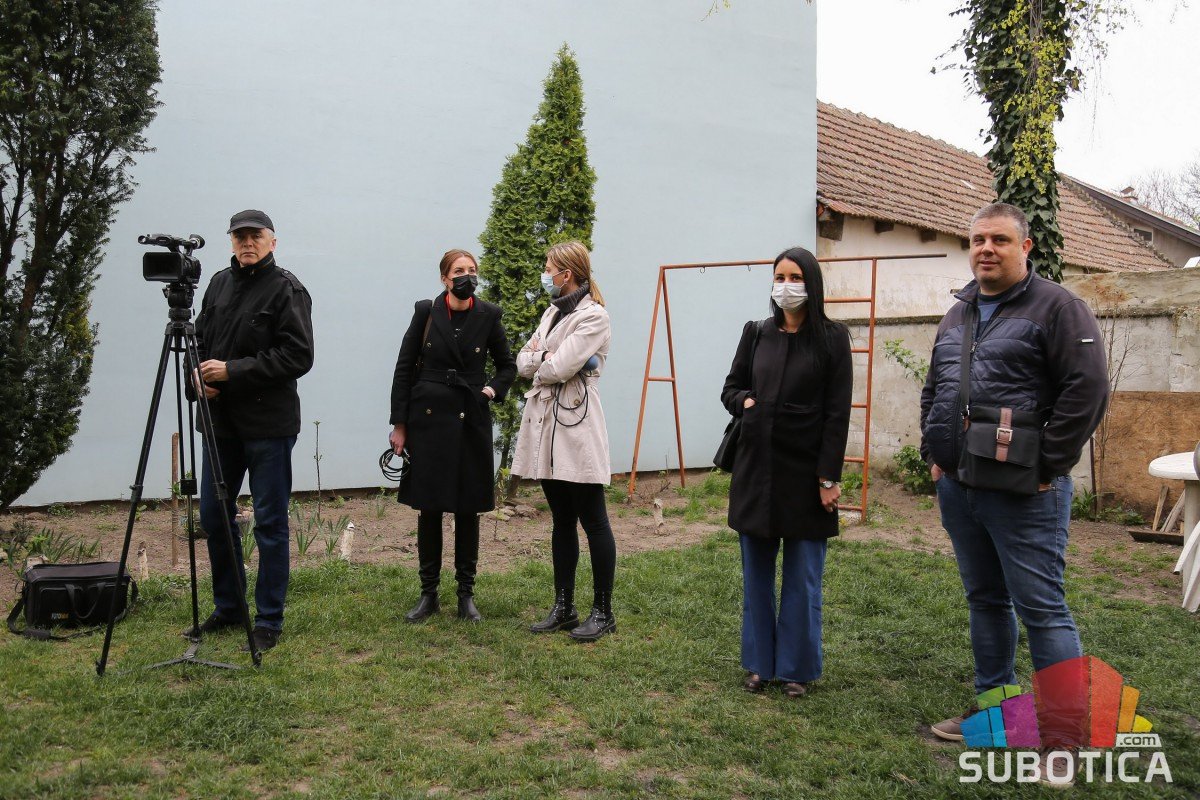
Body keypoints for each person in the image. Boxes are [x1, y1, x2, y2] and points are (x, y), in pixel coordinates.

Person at [921, 203, 1108, 778]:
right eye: (978, 239)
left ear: (1025, 247)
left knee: (1043, 610)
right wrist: (934, 454)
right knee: (985, 600)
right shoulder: (958, 313)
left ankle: (1063, 738)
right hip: (960, 487)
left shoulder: (1058, 307)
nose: (986, 249)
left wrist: (1048, 464)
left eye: (999, 240)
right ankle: (997, 709)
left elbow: (1088, 389)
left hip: (1026, 493)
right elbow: (936, 387)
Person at [720, 246, 852, 697]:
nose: (786, 286)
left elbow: (837, 413)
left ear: (811, 284)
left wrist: (828, 478)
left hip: (806, 474)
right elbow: (731, 387)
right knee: (756, 577)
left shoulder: (833, 338)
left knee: (802, 578)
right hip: (756, 471)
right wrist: (745, 402)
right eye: (780, 277)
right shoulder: (756, 333)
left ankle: (796, 668)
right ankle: (760, 664)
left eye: (795, 277)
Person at [191, 209, 315, 653]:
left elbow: (298, 356)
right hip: (220, 425)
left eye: (255, 236)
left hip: (268, 427)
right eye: (239, 236)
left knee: (269, 523)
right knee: (213, 518)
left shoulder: (288, 290)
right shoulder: (218, 284)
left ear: (272, 242)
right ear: (231, 242)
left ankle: (268, 620)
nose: (247, 242)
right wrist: (196, 378)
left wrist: (232, 371)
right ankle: (229, 608)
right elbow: (197, 341)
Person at [389, 249, 516, 623]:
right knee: (429, 508)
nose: (467, 276)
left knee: (467, 509)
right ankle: (428, 594)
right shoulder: (426, 312)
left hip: (470, 418)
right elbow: (403, 369)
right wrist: (400, 424)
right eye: (459, 270)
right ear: (444, 278)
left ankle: (466, 595)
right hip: (427, 420)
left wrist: (490, 391)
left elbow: (507, 366)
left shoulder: (489, 314)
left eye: (472, 270)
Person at [512, 241, 616, 642]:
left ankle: (603, 612)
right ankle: (564, 607)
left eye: (548, 268)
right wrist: (546, 359)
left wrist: (545, 358)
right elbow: (524, 360)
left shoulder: (595, 316)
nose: (545, 274)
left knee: (594, 519)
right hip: (546, 422)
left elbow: (557, 367)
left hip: (577, 423)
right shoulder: (553, 312)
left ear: (566, 274)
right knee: (561, 519)